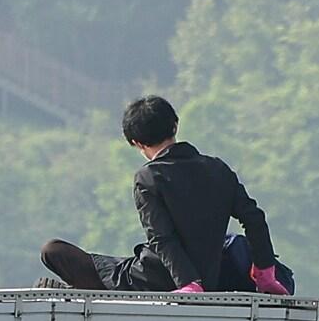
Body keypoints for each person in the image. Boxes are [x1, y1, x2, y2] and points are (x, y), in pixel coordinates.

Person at [38, 95, 288, 295]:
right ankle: (82, 289)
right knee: (115, 266)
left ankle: (83, 290)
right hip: (210, 278)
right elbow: (254, 218)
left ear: (136, 142)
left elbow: (162, 238)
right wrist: (265, 273)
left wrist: (189, 283)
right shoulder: (218, 169)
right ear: (175, 125)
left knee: (53, 251)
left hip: (157, 278)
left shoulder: (148, 177)